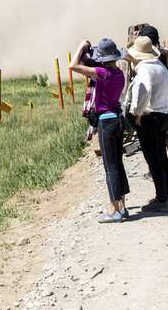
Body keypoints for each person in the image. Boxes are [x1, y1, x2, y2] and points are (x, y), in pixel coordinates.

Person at [71, 38, 129, 222]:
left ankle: (114, 210)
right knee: (117, 164)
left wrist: (80, 46)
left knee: (109, 166)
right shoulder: (119, 72)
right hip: (118, 119)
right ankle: (123, 206)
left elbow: (73, 66)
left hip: (107, 122)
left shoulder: (102, 73)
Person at [124, 35, 168, 212]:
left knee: (152, 158)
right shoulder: (160, 66)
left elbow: (144, 89)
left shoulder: (144, 69)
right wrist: (167, 104)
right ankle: (166, 195)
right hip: (163, 115)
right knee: (161, 156)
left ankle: (161, 199)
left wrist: (137, 113)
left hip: (149, 117)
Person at [135, 23, 168, 181]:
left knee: (153, 142)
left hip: (150, 105)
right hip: (165, 101)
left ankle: (155, 171)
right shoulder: (165, 53)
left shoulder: (142, 56)